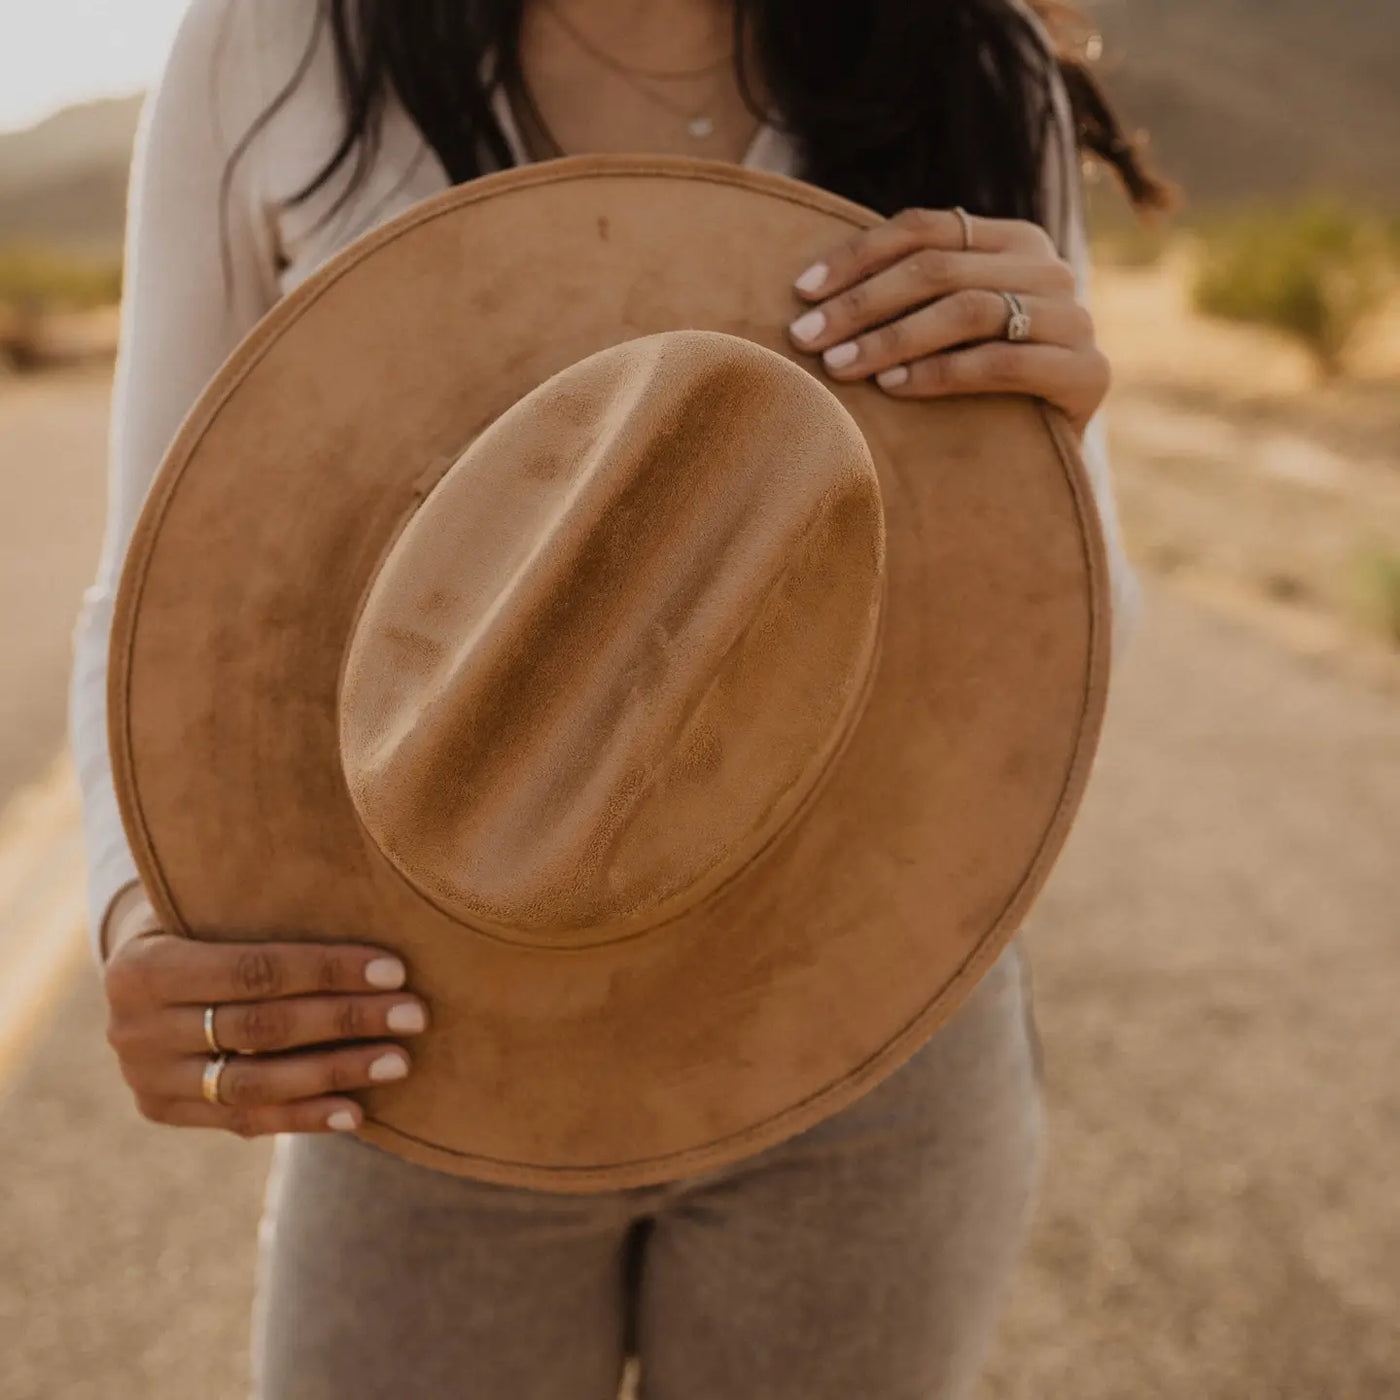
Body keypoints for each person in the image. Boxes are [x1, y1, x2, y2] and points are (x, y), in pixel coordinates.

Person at [69, 2, 1168, 1395]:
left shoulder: (963, 53)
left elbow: (1082, 635)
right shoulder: (277, 48)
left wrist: (1051, 443)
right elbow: (148, 596)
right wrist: (132, 913)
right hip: (429, 1050)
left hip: (874, 1048)